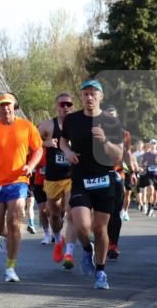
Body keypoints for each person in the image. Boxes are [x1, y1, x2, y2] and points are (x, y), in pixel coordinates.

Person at [59, 80, 125, 290]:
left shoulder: (111, 122)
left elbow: (119, 155)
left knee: (99, 227)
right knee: (81, 226)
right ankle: (87, 249)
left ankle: (101, 271)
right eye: (85, 94)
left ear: (101, 97)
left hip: (105, 179)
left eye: (93, 94)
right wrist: (68, 152)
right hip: (80, 179)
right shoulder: (72, 120)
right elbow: (63, 141)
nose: (89, 97)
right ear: (81, 96)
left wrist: (105, 141)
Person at [0, 92, 43, 282]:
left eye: (8, 104)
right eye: (1, 105)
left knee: (14, 221)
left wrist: (31, 166)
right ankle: (6, 236)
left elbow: (38, 149)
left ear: (15, 106)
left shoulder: (26, 126)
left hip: (18, 180)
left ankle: (11, 267)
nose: (5, 107)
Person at [38, 93, 77, 269]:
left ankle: (69, 253)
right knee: (53, 214)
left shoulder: (79, 124)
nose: (66, 107)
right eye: (62, 104)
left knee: (70, 213)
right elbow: (32, 142)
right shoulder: (48, 124)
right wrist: (46, 143)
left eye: (69, 104)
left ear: (73, 106)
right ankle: (58, 240)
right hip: (53, 177)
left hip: (72, 176)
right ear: (57, 106)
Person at [103, 105, 134, 260]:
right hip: (99, 175)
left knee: (115, 212)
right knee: (101, 212)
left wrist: (132, 172)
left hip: (118, 174)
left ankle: (113, 244)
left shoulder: (125, 134)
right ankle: (102, 239)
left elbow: (127, 153)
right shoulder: (97, 132)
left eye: (113, 115)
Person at [139, 139, 157, 217]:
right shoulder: (146, 154)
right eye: (151, 143)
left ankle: (152, 207)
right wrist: (143, 165)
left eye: (154, 143)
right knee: (150, 190)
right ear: (150, 144)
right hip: (149, 175)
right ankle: (149, 207)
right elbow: (141, 164)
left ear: (156, 145)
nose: (153, 145)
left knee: (155, 193)